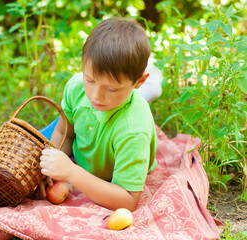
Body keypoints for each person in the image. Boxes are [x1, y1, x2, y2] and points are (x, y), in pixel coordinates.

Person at [37, 17, 158, 211]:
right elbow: (65, 132)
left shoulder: (133, 131)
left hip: (112, 171)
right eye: (90, 80)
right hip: (86, 143)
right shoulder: (76, 88)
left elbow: (128, 201)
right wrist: (51, 171)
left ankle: (151, 91)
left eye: (111, 89)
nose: (95, 96)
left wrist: (71, 172)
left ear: (138, 82)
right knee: (33, 148)